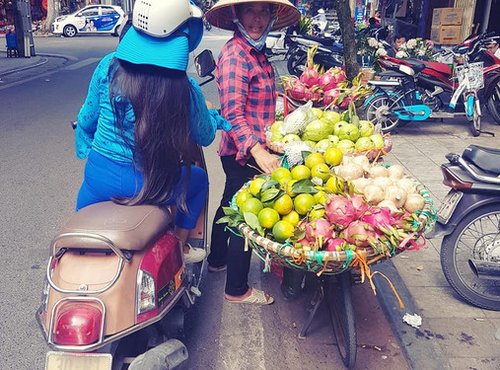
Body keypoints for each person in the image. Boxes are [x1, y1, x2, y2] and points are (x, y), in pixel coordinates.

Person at [75, 0, 230, 264]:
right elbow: (204, 135)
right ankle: (180, 247)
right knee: (199, 180)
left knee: (78, 228)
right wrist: (214, 117)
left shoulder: (108, 67)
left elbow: (87, 119)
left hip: (98, 181)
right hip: (153, 185)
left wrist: (86, 141)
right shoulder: (186, 89)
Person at [205, 0, 300, 304]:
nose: (257, 19)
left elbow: (257, 102)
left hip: (251, 147)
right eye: (250, 11)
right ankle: (237, 289)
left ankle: (216, 261)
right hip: (242, 152)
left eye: (264, 12)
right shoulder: (235, 55)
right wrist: (259, 151)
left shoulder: (255, 52)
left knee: (229, 206)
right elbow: (232, 113)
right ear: (237, 15)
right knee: (244, 219)